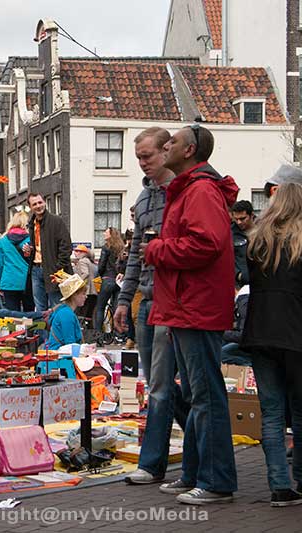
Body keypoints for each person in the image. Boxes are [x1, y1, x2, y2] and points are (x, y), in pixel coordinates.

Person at [144, 124, 238, 504]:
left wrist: (157, 249)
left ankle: (216, 481)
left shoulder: (199, 191)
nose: (166, 145)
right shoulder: (190, 190)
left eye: (174, 142)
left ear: (190, 150)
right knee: (196, 394)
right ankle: (195, 473)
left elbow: (206, 244)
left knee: (205, 396)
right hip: (185, 306)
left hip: (194, 307)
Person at [117, 128, 190, 487]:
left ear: (167, 151)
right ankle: (199, 436)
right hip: (147, 300)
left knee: (162, 385)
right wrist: (122, 299)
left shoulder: (183, 194)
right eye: (138, 158)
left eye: (147, 156)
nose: (142, 163)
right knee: (156, 382)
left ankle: (152, 463)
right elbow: (134, 254)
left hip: (173, 299)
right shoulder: (144, 200)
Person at [241, 183, 302, 507]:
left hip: (261, 332)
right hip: (295, 333)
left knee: (272, 412)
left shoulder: (257, 243)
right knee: (300, 411)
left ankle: (279, 484)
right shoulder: (300, 242)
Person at [23, 193, 73, 312]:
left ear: (44, 202)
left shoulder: (56, 221)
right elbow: (40, 246)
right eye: (34, 204)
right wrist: (30, 250)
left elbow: (66, 246)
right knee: (40, 308)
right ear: (30, 207)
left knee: (56, 306)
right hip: (36, 269)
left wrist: (58, 268)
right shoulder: (32, 224)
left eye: (40, 202)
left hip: (53, 271)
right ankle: (42, 331)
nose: (38, 206)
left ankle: (56, 331)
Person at [0, 212, 32, 312]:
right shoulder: (30, 240)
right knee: (30, 313)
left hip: (9, 282)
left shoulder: (2, 241)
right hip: (27, 282)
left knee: (12, 315)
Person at [45, 273, 87, 350]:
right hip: (59, 357)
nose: (86, 296)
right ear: (74, 295)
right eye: (83, 294)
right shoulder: (67, 314)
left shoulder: (64, 310)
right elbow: (71, 345)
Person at [95, 228, 124, 332]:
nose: (103, 233)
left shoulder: (106, 248)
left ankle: (98, 335)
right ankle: (119, 335)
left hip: (108, 279)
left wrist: (101, 274)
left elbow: (101, 266)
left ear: (111, 235)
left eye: (106, 232)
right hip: (119, 281)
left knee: (100, 308)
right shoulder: (122, 248)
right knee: (117, 308)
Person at [230, 200, 254, 289]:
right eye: (236, 219)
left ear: (251, 215)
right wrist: (239, 275)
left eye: (242, 219)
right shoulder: (230, 233)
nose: (239, 222)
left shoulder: (264, 230)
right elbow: (226, 259)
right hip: (240, 286)